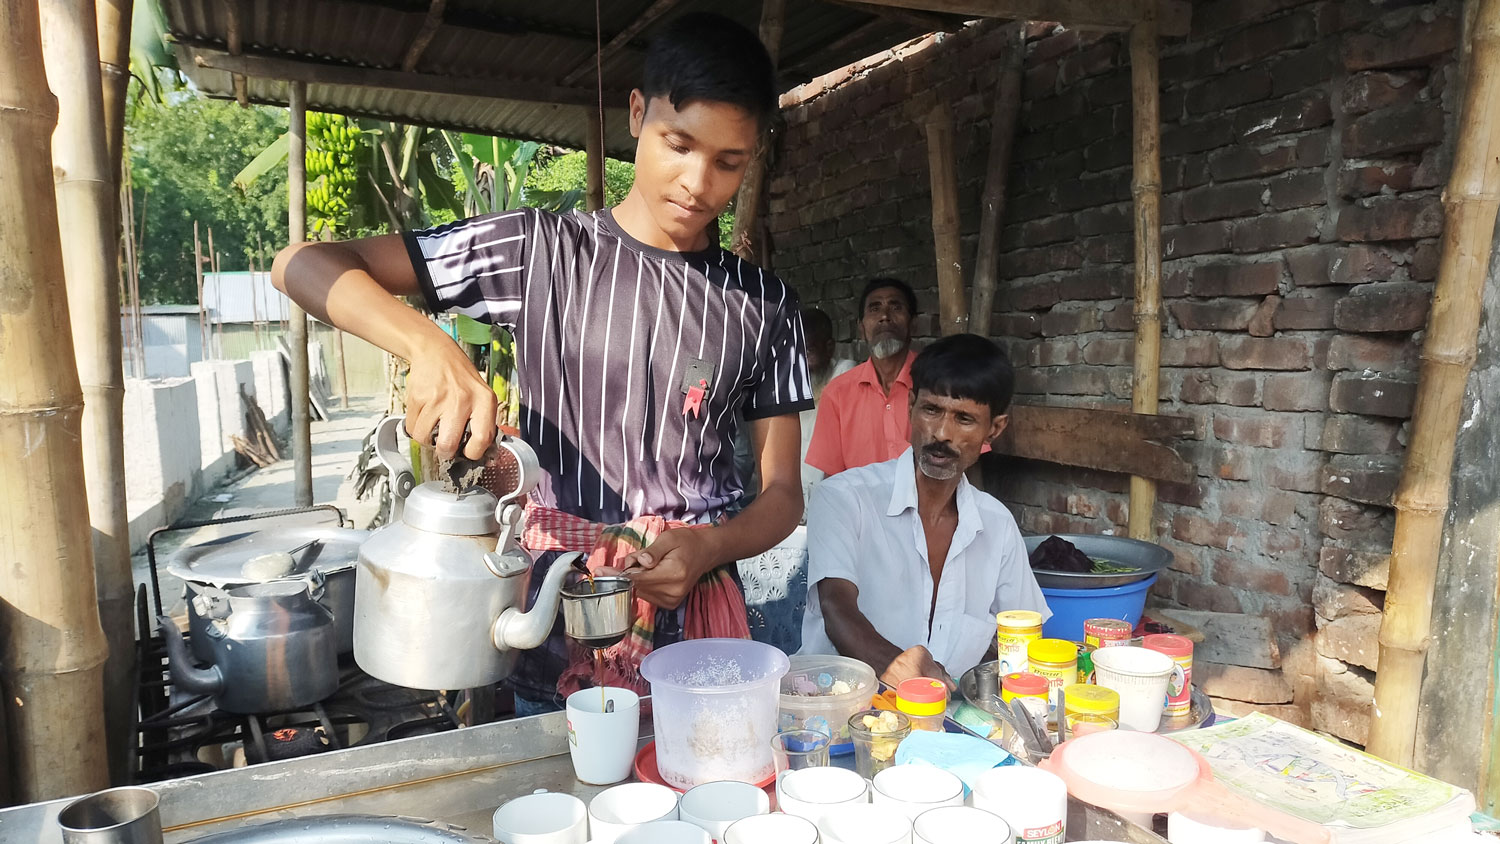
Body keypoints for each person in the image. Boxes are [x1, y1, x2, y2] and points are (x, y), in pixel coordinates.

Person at [273, 13, 813, 713]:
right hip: (557, 611)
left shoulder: (765, 304)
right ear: (637, 114)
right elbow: (303, 263)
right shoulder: (543, 253)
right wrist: (427, 346)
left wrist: (708, 548)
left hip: (702, 627)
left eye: (728, 163)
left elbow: (782, 498)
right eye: (678, 145)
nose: (697, 182)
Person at [798, 334, 1049, 687]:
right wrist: (907, 675)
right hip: (839, 712)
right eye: (931, 410)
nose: (942, 433)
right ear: (910, 407)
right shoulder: (843, 498)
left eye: (964, 419)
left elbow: (1021, 635)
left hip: (945, 723)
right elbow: (837, 610)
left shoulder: (997, 526)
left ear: (995, 428)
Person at [803, 278, 919, 477]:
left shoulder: (939, 382)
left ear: (913, 324)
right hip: (860, 508)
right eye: (874, 309)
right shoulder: (837, 393)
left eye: (896, 307)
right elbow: (833, 478)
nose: (884, 316)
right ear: (861, 328)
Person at [798, 307, 855, 497]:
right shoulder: (791, 379)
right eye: (794, 352)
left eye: (808, 351)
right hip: (797, 496)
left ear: (829, 348)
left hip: (830, 494)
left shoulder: (844, 373)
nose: (801, 362)